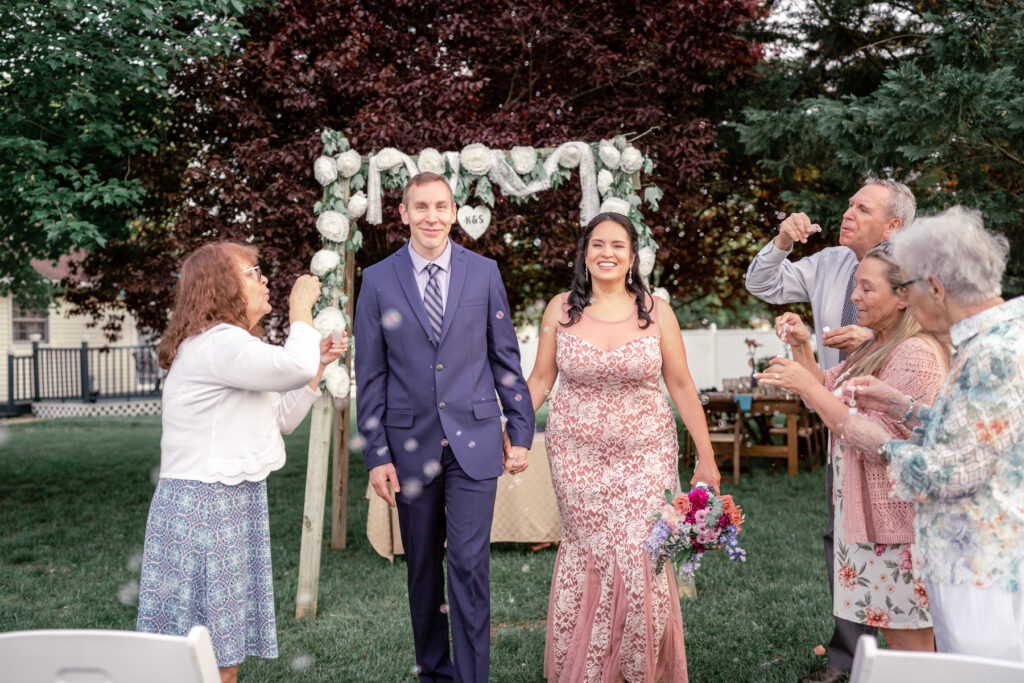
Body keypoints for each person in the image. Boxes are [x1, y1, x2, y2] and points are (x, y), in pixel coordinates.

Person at [136, 242, 346, 683]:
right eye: (253, 272)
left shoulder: (233, 348)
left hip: (226, 503)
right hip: (204, 508)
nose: (265, 278)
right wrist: (300, 307)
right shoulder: (219, 345)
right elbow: (292, 361)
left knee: (217, 654)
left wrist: (318, 364)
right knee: (207, 657)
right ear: (221, 287)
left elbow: (282, 418)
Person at [354, 172, 535, 682]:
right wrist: (377, 455)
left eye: (441, 207)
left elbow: (505, 359)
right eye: (421, 207)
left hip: (475, 440)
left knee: (470, 567)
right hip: (408, 445)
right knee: (423, 571)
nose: (432, 216)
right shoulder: (378, 280)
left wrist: (520, 431)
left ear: (454, 212)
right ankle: (434, 673)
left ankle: (473, 677)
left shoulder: (484, 273)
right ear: (405, 214)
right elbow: (369, 375)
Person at [526, 212, 720, 682]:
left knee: (639, 551)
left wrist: (707, 456)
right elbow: (540, 380)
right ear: (584, 253)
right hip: (576, 457)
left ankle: (640, 668)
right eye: (597, 244)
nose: (606, 253)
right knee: (590, 549)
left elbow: (680, 383)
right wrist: (507, 433)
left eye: (617, 245)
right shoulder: (559, 309)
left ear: (633, 256)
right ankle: (589, 670)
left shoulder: (657, 311)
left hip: (646, 455)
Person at [835, 207, 1024, 661]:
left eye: (905, 287)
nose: (907, 302)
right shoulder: (995, 339)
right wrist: (906, 409)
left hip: (984, 570)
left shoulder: (993, 353)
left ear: (935, 287)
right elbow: (980, 436)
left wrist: (878, 443)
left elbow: (955, 471)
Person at [745, 178, 916, 681]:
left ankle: (921, 652)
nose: (848, 212)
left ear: (894, 225)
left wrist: (878, 332)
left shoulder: (917, 270)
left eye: (862, 208)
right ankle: (848, 657)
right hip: (838, 418)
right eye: (849, 204)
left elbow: (934, 334)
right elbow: (762, 286)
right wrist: (781, 243)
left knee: (907, 540)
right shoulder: (828, 264)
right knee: (841, 533)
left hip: (897, 429)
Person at [756, 243, 948, 654]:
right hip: (872, 522)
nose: (853, 297)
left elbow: (870, 436)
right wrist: (802, 347)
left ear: (902, 297)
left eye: (865, 288)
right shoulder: (876, 344)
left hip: (899, 526)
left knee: (910, 643)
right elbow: (827, 393)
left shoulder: (915, 353)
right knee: (897, 638)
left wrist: (806, 385)